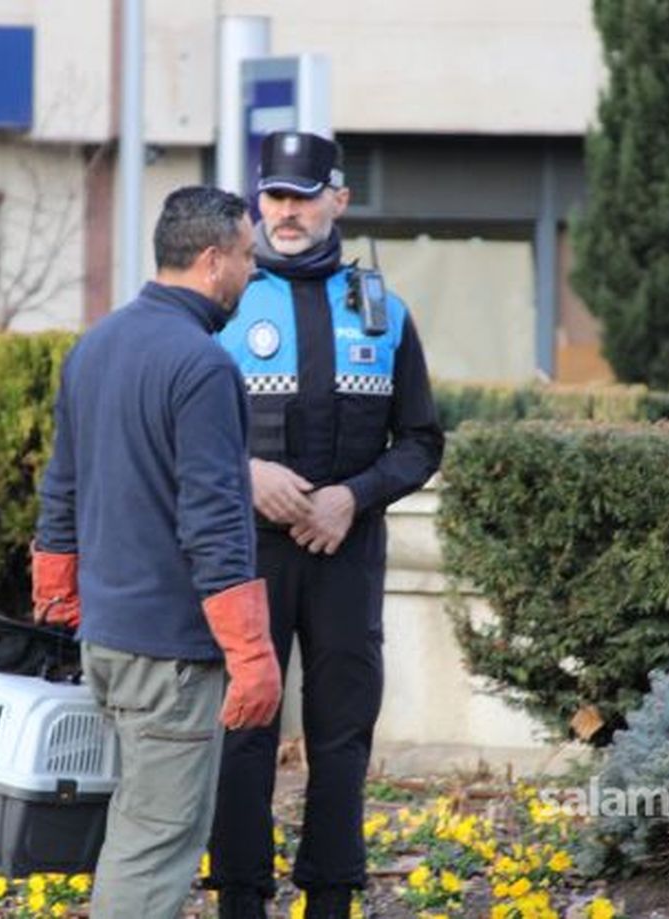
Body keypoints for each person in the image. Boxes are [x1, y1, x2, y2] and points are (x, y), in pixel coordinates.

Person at [206, 132, 445, 919]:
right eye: (273, 195)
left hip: (346, 553)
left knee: (343, 732)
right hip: (249, 557)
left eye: (303, 196)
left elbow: (421, 441)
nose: (286, 212)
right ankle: (240, 897)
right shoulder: (221, 305)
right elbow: (181, 433)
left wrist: (355, 496)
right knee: (246, 726)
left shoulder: (386, 310)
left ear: (337, 200)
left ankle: (332, 896)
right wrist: (247, 475)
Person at [32, 186, 284, 919]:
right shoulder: (202, 367)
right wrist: (252, 651)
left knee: (133, 832)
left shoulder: (96, 345)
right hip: (171, 659)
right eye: (246, 257)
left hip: (109, 641)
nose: (251, 272)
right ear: (212, 261)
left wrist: (58, 595)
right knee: (154, 845)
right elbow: (214, 522)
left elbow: (62, 489)